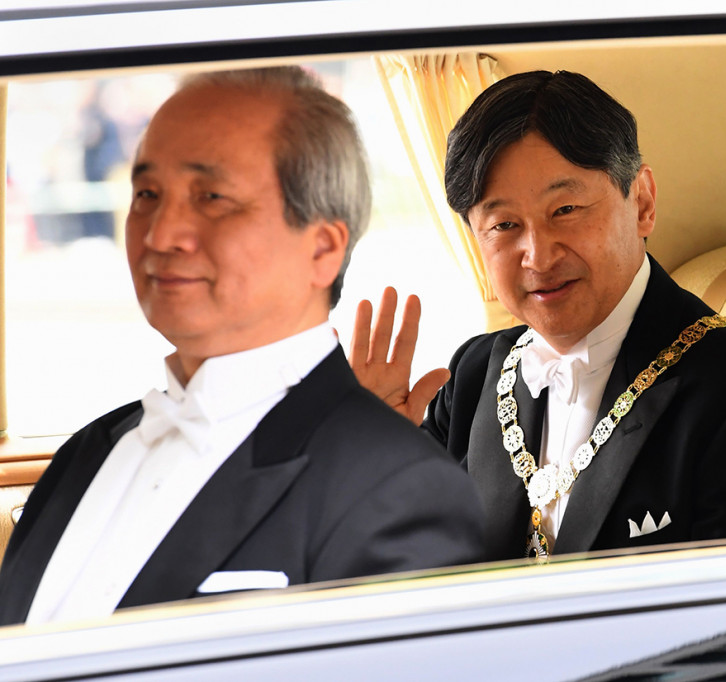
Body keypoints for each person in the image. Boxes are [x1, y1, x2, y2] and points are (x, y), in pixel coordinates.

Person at [0, 67, 484, 626]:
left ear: (322, 248)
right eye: (147, 194)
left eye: (212, 197)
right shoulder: (89, 451)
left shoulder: (400, 489)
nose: (159, 234)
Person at [351, 70, 726, 562]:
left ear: (642, 202)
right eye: (505, 225)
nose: (537, 256)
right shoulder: (474, 376)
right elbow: (415, 576)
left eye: (565, 210)